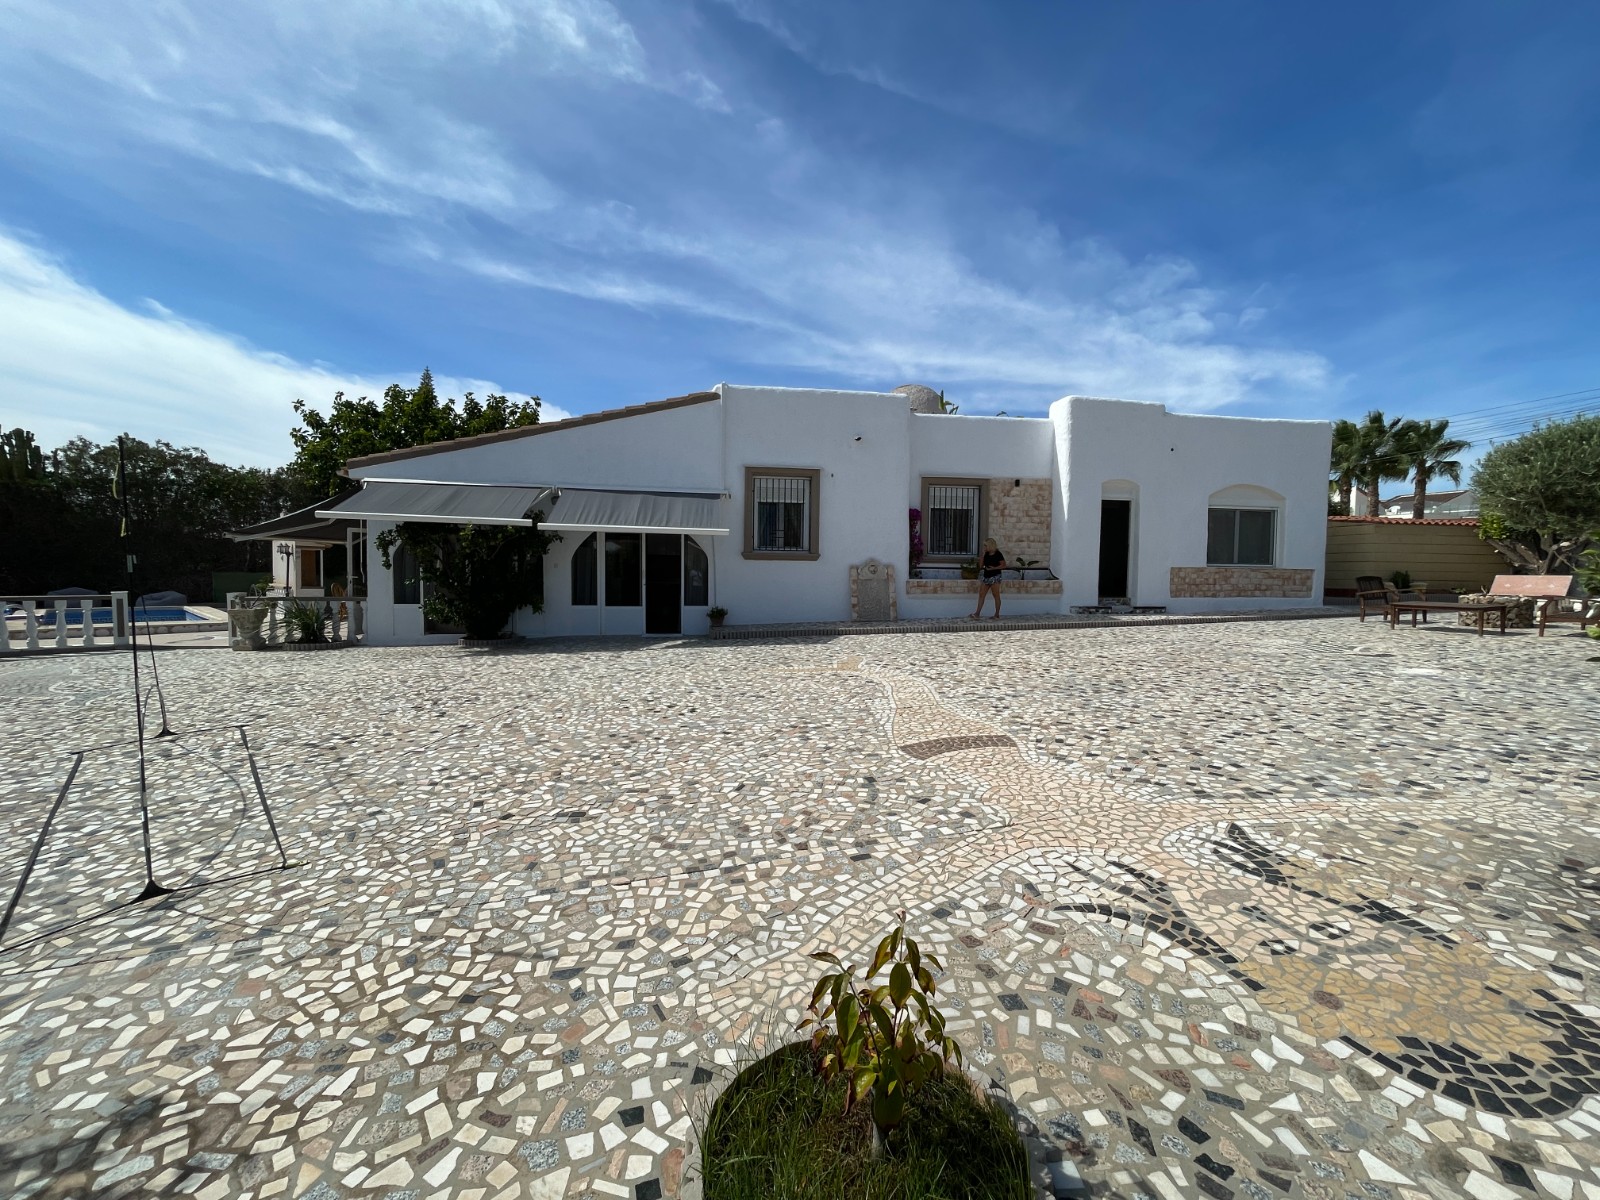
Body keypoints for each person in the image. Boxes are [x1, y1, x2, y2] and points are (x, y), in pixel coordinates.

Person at [970, 538, 1006, 619]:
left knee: (996, 595)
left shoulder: (998, 554)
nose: (984, 547)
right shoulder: (986, 554)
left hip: (995, 576)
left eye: (985, 545)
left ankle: (996, 614)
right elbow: (980, 566)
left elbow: (1004, 565)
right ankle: (977, 613)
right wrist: (982, 556)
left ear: (990, 545)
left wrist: (994, 568)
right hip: (986, 576)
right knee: (981, 594)